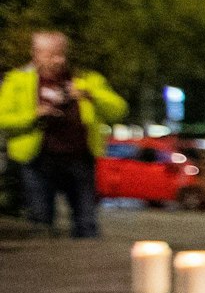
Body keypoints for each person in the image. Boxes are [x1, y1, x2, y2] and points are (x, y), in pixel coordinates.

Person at [0, 31, 127, 240]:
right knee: (41, 222)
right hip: (37, 160)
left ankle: (87, 267)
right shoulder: (17, 81)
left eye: (61, 54)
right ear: (36, 54)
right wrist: (35, 114)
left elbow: (118, 109)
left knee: (86, 223)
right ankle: (45, 268)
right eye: (51, 55)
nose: (59, 60)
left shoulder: (86, 79)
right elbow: (3, 119)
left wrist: (89, 95)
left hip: (79, 159)